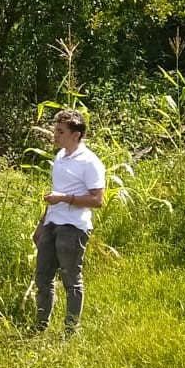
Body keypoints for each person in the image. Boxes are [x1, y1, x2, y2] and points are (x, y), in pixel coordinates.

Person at [33, 108, 105, 331]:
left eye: (60, 131)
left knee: (71, 280)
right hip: (53, 223)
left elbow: (98, 200)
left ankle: (70, 330)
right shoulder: (60, 157)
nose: (55, 135)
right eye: (55, 130)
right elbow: (56, 192)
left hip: (73, 227)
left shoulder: (90, 162)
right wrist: (41, 224)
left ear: (76, 135)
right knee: (43, 277)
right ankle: (40, 326)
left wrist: (64, 198)